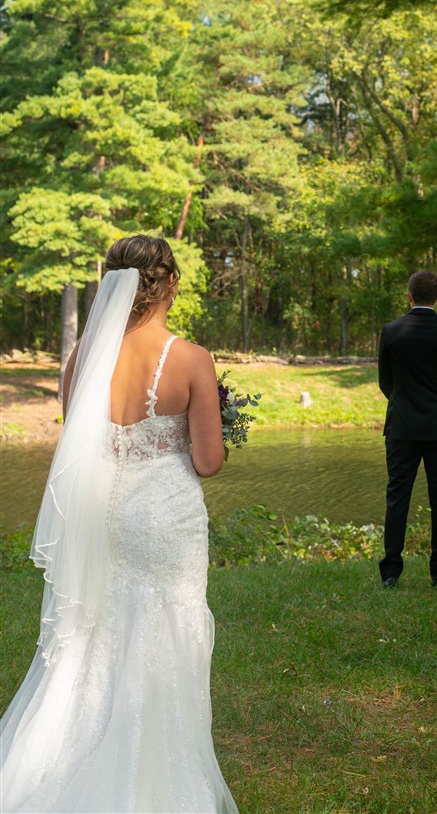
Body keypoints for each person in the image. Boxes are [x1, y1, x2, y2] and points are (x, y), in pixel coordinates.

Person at [0, 235, 238, 814]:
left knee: (93, 632)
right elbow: (208, 461)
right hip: (162, 517)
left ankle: (55, 761)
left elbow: (78, 441)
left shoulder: (82, 356)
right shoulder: (190, 359)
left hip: (101, 513)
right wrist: (216, 417)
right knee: (165, 624)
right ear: (170, 284)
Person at [378, 270, 437, 588]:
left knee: (397, 497)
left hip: (402, 426)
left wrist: (404, 404)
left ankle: (391, 572)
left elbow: (385, 381)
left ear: (409, 296)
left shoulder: (391, 331)